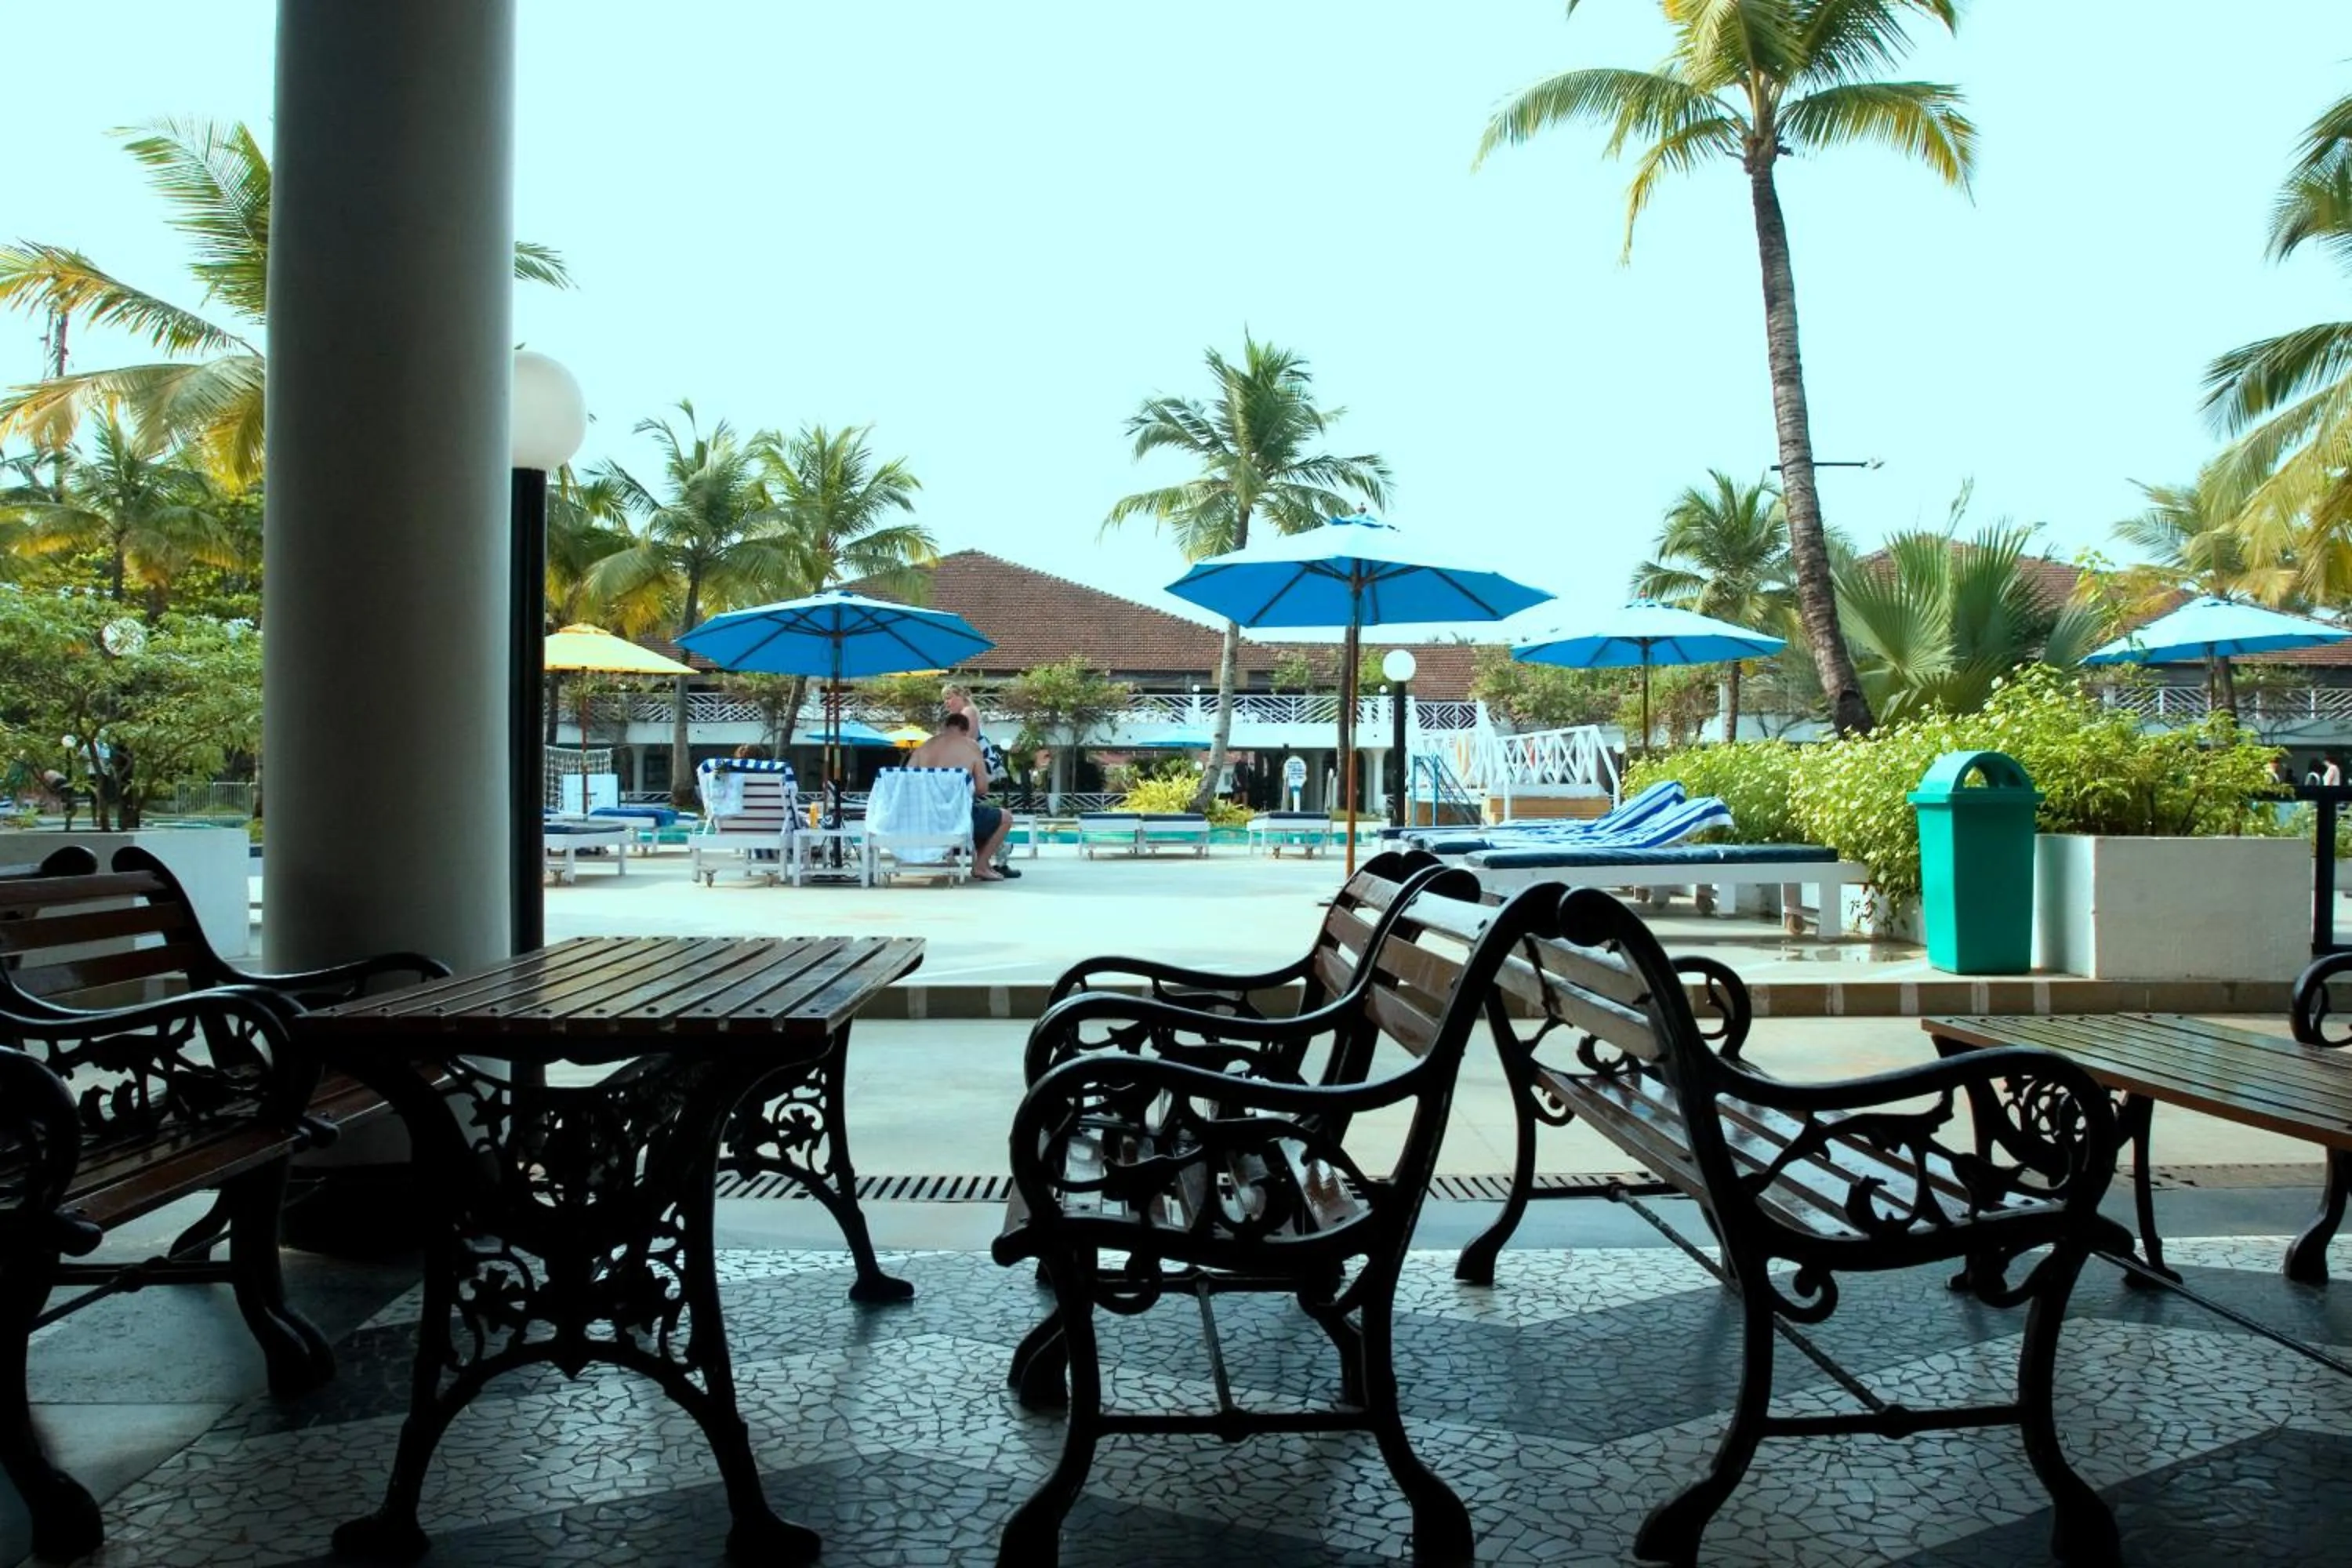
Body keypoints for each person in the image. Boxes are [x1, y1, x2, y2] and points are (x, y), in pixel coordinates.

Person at [909, 712, 1011, 880]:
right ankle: (981, 866)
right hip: (957, 819)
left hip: (925, 819)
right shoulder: (971, 746)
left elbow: (908, 783)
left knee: (980, 815)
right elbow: (982, 788)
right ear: (965, 730)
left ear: (945, 727)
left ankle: (976, 863)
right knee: (1005, 818)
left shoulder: (924, 747)